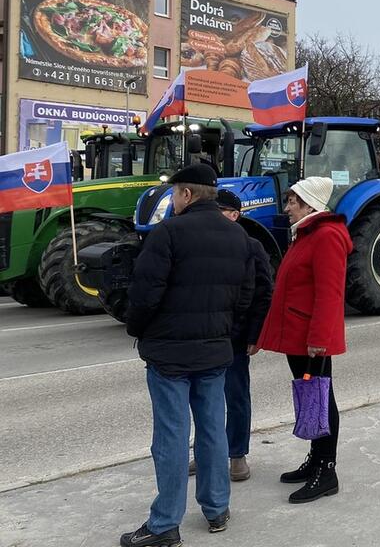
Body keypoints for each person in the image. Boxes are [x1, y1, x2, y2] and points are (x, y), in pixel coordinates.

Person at [121, 164, 254, 547]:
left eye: (176, 193)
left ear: (187, 195)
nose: (173, 200)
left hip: (169, 354)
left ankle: (164, 524)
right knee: (213, 430)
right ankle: (217, 509)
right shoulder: (239, 238)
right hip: (214, 351)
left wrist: (137, 328)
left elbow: (144, 294)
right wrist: (224, 331)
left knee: (171, 437)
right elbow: (244, 296)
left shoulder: (168, 234)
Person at [256, 176, 352, 504]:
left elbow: (329, 293)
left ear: (310, 203)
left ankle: (327, 470)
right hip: (299, 333)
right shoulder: (308, 233)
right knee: (311, 394)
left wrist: (319, 338)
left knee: (322, 397)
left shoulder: (326, 236)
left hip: (311, 337)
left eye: (292, 202)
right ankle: (316, 460)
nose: (286, 209)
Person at [188, 189, 273, 482]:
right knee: (203, 398)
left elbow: (263, 294)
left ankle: (237, 455)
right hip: (204, 335)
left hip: (235, 337)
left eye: (221, 211)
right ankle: (205, 453)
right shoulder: (199, 245)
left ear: (235, 215)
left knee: (235, 395)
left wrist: (254, 334)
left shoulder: (252, 247)